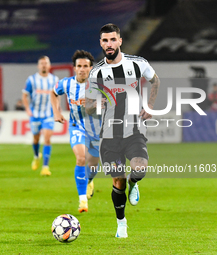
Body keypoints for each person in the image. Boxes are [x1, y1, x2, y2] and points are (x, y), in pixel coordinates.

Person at [86, 23, 160, 238]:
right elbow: (89, 106)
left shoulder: (137, 64)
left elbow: (155, 80)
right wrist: (94, 105)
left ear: (119, 40)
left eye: (112, 40)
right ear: (101, 43)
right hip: (109, 136)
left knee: (139, 170)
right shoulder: (96, 72)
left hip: (134, 130)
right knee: (117, 179)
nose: (109, 44)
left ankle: (134, 183)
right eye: (104, 41)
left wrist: (150, 105)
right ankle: (121, 223)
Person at [51, 50, 100, 213]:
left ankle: (89, 181)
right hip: (76, 126)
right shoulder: (66, 83)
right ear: (74, 68)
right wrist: (56, 112)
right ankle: (82, 201)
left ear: (91, 68)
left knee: (93, 164)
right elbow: (53, 93)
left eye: (86, 66)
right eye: (79, 66)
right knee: (81, 158)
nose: (82, 69)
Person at [22, 56, 59, 176]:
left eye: (46, 63)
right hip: (35, 114)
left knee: (47, 138)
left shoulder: (54, 79)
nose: (43, 65)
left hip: (48, 114)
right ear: (38, 66)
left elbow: (57, 95)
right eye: (41, 63)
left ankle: (45, 167)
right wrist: (28, 109)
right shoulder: (32, 80)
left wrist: (57, 109)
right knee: (36, 139)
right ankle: (36, 155)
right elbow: (25, 95)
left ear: (49, 65)